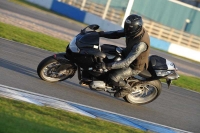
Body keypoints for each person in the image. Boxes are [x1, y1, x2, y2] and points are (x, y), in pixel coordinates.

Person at [97, 14, 150, 98]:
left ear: (136, 28)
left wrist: (107, 66)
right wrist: (100, 34)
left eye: (130, 28)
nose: (127, 29)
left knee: (113, 77)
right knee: (105, 49)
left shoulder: (140, 44)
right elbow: (116, 33)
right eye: (127, 26)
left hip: (134, 66)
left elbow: (126, 63)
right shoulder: (131, 31)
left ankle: (127, 89)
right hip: (127, 53)